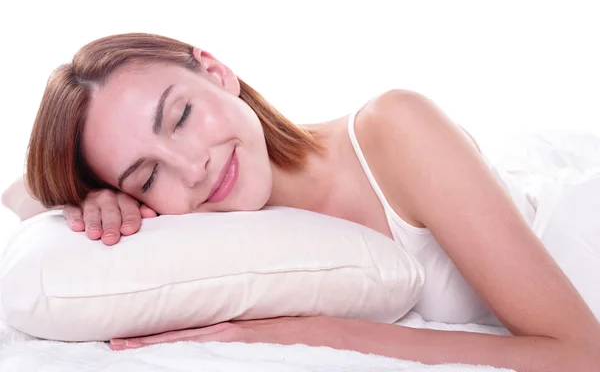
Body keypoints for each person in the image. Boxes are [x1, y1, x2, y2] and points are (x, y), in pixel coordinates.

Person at [3, 33, 599, 371]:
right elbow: (17, 200)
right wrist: (93, 200)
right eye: (148, 175)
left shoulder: (396, 128)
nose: (193, 167)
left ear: (215, 70)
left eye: (181, 115)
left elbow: (579, 352)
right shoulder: (212, 245)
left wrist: (309, 333)